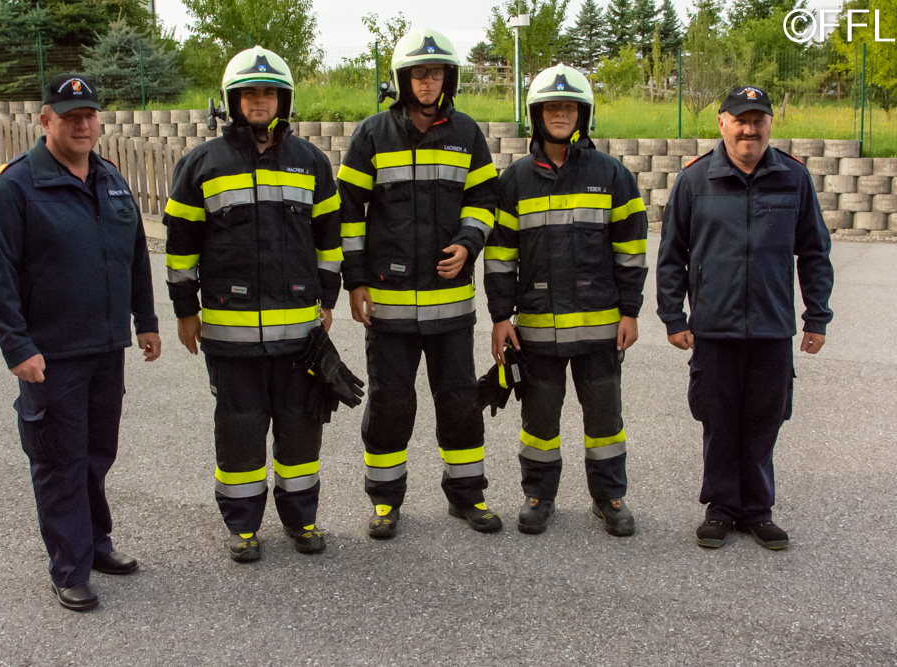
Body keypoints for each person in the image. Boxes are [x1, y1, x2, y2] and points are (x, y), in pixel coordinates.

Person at [0, 73, 161, 612]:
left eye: (89, 116)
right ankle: (69, 568)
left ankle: (96, 544)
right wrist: (17, 347)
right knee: (60, 461)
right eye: (69, 117)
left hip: (106, 347)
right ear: (45, 120)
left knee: (96, 455)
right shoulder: (15, 185)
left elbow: (134, 255)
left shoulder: (110, 178)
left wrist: (146, 320)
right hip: (50, 354)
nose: (82, 125)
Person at [163, 46, 347, 563]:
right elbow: (180, 248)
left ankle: (301, 520)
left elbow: (329, 239)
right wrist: (185, 311)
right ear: (232, 101)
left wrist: (328, 299)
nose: (259, 101)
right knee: (240, 431)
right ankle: (242, 527)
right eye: (249, 93)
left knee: (300, 430)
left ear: (284, 100)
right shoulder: (202, 164)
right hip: (231, 336)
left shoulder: (311, 162)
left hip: (298, 337)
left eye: (269, 93)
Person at [337, 27, 502, 539]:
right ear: (402, 79)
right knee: (390, 402)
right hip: (387, 307)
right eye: (418, 73)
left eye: (436, 73)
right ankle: (385, 501)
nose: (427, 82)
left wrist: (468, 242)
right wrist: (355, 281)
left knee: (459, 401)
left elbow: (485, 201)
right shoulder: (372, 135)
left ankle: (467, 495)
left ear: (448, 79)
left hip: (450, 307)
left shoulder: (467, 133)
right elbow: (348, 213)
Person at [656, 85, 834, 550]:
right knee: (718, 421)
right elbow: (672, 254)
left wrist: (817, 317)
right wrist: (673, 316)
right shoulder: (695, 179)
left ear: (771, 124)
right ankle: (720, 508)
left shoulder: (794, 178)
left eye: (758, 120)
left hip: (772, 328)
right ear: (722, 123)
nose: (749, 129)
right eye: (740, 120)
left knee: (764, 421)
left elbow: (814, 252)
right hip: (713, 328)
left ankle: (757, 510)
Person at [484, 64, 648, 537]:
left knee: (605, 420)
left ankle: (609, 496)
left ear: (583, 115)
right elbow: (500, 257)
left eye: (569, 107)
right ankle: (538, 495)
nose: (560, 114)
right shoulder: (515, 180)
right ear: (536, 115)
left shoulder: (611, 174)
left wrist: (631, 312)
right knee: (539, 420)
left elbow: (631, 251)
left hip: (600, 329)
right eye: (552, 107)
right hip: (537, 330)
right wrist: (500, 317)